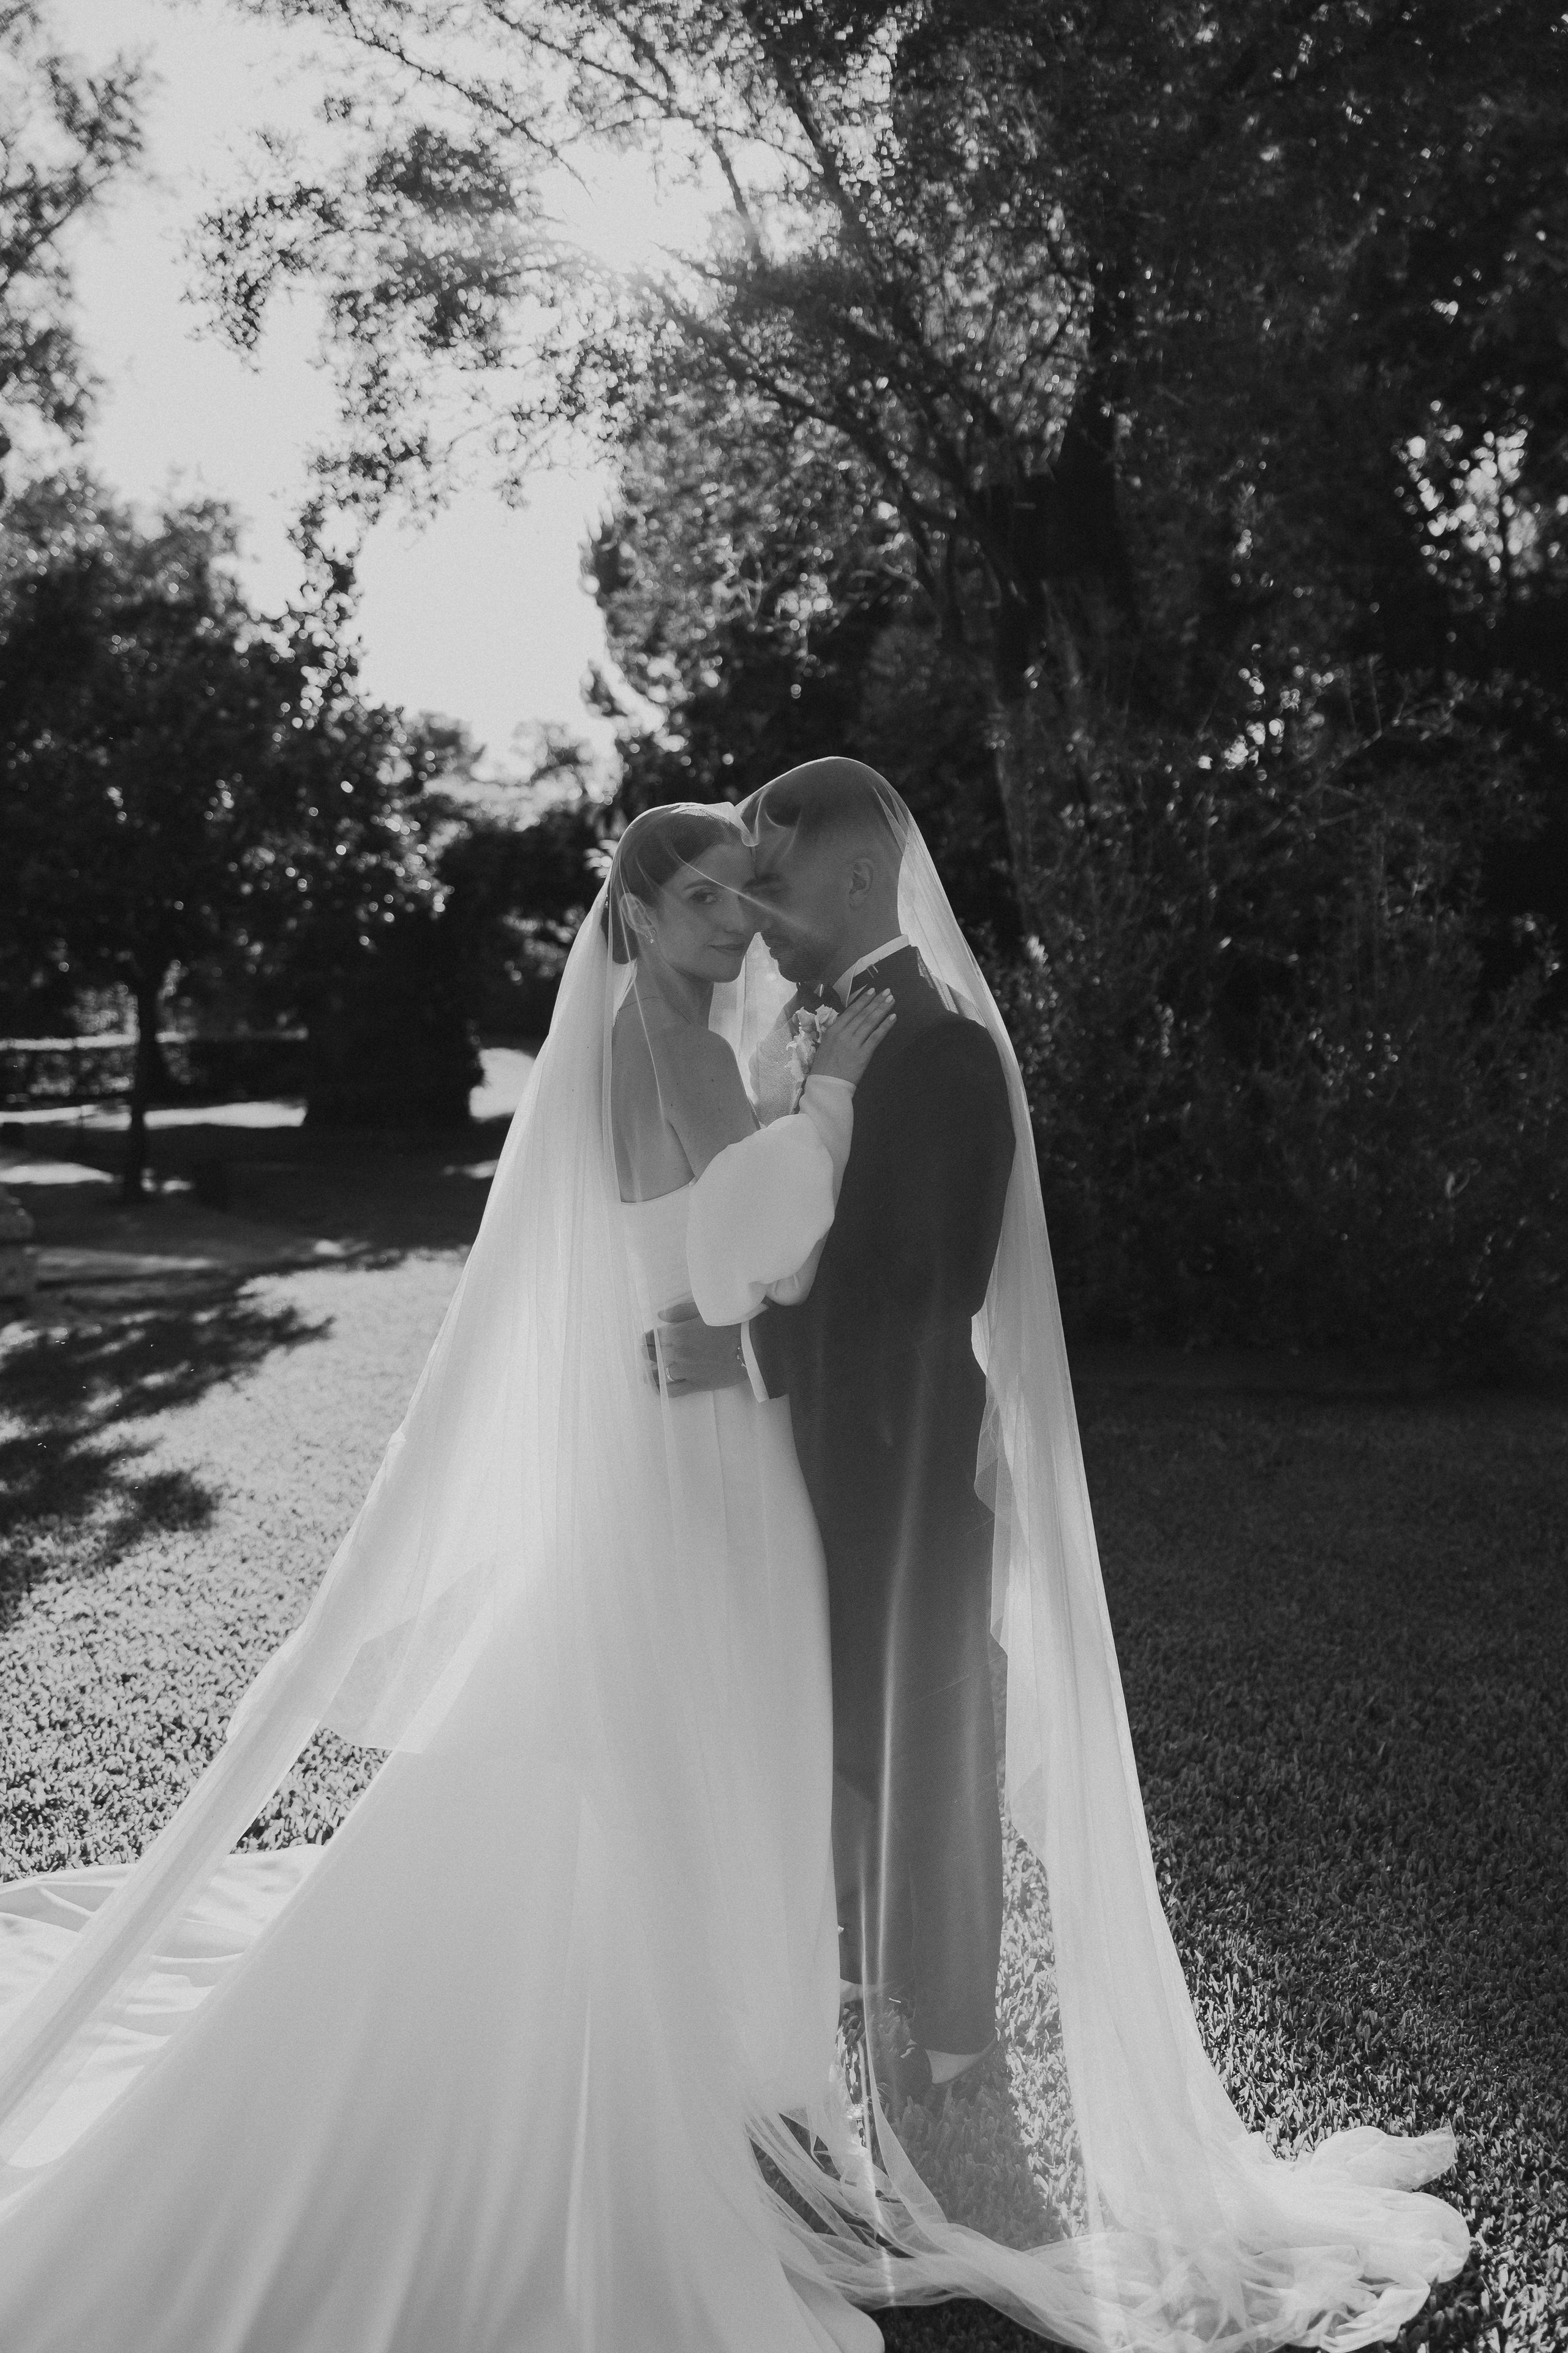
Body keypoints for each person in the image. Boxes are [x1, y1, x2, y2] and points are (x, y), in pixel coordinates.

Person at [0, 775, 1468, 2353]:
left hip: (788, 1461)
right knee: (686, 1764)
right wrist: (816, 1117)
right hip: (717, 1469)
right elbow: (748, 1243)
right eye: (705, 893)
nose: (735, 917)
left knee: (729, 1768)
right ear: (634, 913)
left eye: (747, 886)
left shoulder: (837, 1048)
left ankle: (817, 2073)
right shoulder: (697, 1042)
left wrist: (748, 1265)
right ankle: (722, 2081)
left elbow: (834, 1287)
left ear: (831, 876)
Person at [668, 762, 1014, 2107]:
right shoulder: (814, 1030)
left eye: (773, 867)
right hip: (817, 1458)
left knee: (929, 1734)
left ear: (860, 872)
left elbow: (917, 1291)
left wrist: (744, 1344)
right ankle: (859, 1969)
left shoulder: (933, 1043)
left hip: (906, 1462)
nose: (755, 896)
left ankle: (957, 2034)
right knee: (844, 1724)